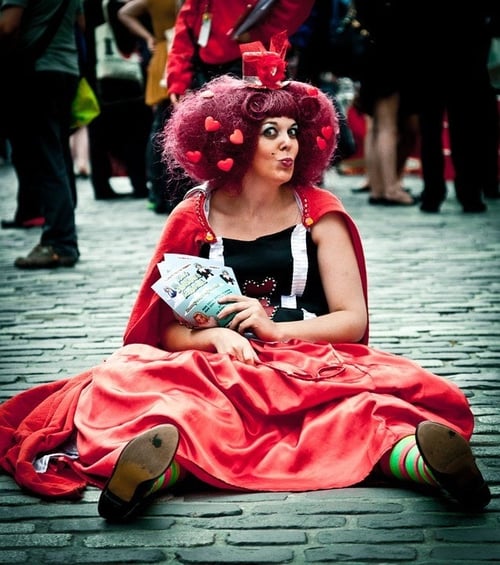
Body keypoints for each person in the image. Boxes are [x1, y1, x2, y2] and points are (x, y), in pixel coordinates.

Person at [0, 38, 490, 523]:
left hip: (304, 360)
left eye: (294, 131)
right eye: (271, 132)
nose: (287, 144)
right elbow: (163, 330)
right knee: (142, 388)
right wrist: (210, 335)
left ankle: (430, 465)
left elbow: (351, 319)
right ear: (231, 140)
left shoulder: (320, 213)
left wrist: (275, 330)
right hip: (216, 365)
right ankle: (148, 470)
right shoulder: (193, 214)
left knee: (363, 412)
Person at [0, 0, 81, 266]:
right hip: (65, 68)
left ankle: (59, 241)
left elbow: (7, 25)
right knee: (55, 155)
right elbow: (82, 22)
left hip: (36, 70)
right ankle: (62, 234)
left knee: (44, 159)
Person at [417, 3, 499, 213]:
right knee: (464, 129)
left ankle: (433, 193)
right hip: (466, 54)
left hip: (430, 53)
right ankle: (468, 193)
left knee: (431, 130)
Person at [353, 0, 419, 206]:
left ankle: (378, 187)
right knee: (387, 127)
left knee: (376, 127)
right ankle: (390, 188)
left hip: (371, 58)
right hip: (390, 59)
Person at [117, 0, 180, 213]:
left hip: (163, 51)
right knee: (167, 126)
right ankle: (166, 192)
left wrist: (148, 37)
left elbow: (125, 12)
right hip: (175, 52)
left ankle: (158, 192)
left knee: (160, 126)